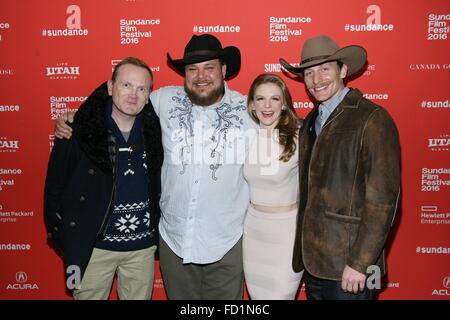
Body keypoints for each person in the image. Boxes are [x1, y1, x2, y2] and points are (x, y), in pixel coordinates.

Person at [55, 34, 257, 300]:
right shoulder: (164, 100)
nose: (201, 76)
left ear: (224, 70)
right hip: (174, 242)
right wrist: (76, 118)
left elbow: (283, 123)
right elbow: (123, 96)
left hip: (227, 241)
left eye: (209, 68)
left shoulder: (248, 110)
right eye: (192, 69)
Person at [279, 35, 400, 300]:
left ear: (343, 70)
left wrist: (360, 263)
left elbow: (383, 202)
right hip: (315, 263)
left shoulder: (372, 118)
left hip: (351, 266)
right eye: (309, 73)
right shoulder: (311, 121)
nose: (316, 79)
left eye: (325, 69)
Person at [45, 57, 163, 300]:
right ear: (110, 87)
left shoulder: (157, 132)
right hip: (91, 250)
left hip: (141, 251)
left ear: (149, 95)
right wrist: (66, 240)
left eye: (142, 89)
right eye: (126, 85)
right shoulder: (78, 131)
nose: (133, 94)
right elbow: (53, 190)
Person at [243, 74, 303, 299]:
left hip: (286, 235)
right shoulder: (246, 137)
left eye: (275, 99)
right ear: (252, 104)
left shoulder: (298, 138)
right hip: (253, 231)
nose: (267, 106)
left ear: (284, 103)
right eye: (260, 99)